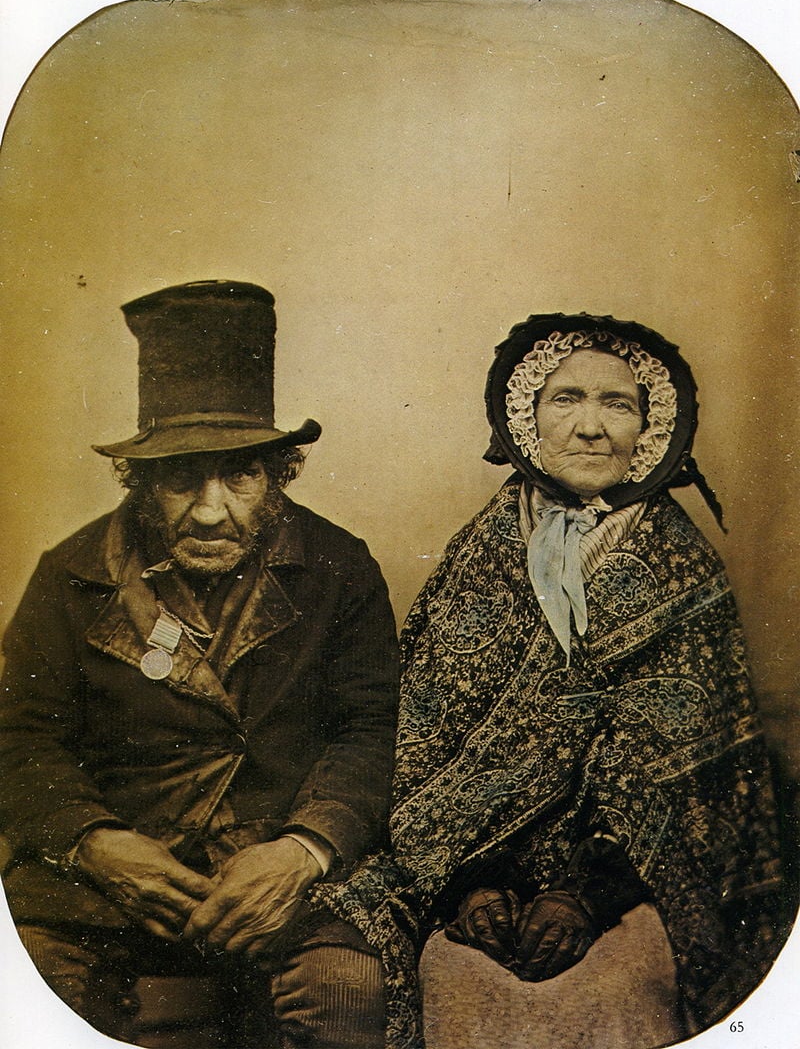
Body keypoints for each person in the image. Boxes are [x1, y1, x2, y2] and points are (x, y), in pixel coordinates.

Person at [317, 313, 790, 1049]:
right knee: (455, 978)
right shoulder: (479, 552)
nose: (591, 427)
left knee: (616, 988)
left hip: (633, 881)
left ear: (651, 428)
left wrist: (587, 895)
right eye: (566, 399)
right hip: (473, 873)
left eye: (617, 404)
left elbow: (693, 782)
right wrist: (472, 884)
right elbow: (426, 739)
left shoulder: (682, 565)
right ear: (526, 418)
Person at [0, 280, 399, 1048]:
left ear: (277, 474)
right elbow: (19, 741)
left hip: (283, 883)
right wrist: (94, 842)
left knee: (346, 993)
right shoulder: (71, 574)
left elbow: (371, 729)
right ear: (143, 481)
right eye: (183, 477)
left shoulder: (339, 568)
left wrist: (304, 850)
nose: (211, 511)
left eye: (239, 475)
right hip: (106, 892)